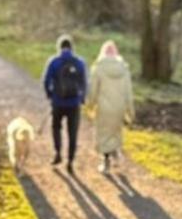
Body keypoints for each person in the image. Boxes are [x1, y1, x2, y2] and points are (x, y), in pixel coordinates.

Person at [87, 41, 135, 175]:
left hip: (103, 107)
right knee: (115, 130)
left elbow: (93, 90)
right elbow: (128, 92)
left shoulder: (98, 68)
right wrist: (131, 111)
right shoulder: (124, 69)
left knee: (103, 132)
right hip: (119, 107)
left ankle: (106, 161)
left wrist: (90, 104)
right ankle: (116, 153)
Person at [43, 35, 87, 173]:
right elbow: (84, 82)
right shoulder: (79, 62)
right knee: (72, 132)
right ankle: (70, 161)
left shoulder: (54, 62)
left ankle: (58, 153)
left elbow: (46, 80)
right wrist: (82, 98)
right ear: (72, 47)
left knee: (56, 127)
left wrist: (50, 95)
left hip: (58, 101)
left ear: (59, 47)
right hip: (74, 103)